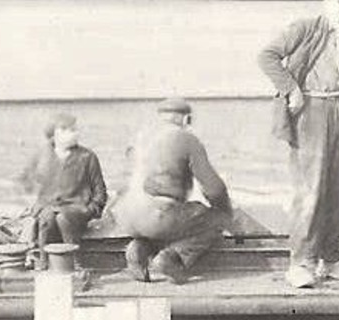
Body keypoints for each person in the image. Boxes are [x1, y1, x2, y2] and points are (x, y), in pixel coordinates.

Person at [258, 0, 339, 290]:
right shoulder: (306, 27)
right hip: (314, 111)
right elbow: (267, 55)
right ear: (326, 2)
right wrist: (291, 89)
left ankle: (330, 258)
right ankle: (301, 263)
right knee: (311, 188)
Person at [116, 98, 233, 285]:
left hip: (127, 214)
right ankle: (171, 258)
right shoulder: (186, 139)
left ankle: (139, 248)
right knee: (215, 219)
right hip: (157, 215)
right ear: (186, 119)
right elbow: (213, 187)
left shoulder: (141, 136)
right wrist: (225, 211)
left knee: (166, 223)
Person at [17, 112, 108, 252]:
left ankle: (74, 262)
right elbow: (25, 182)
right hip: (49, 208)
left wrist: (92, 209)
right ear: (54, 134)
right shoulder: (41, 155)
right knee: (46, 220)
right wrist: (34, 205)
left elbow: (100, 191)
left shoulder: (87, 156)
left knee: (63, 219)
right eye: (67, 130)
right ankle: (43, 261)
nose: (74, 133)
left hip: (77, 208)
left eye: (74, 130)